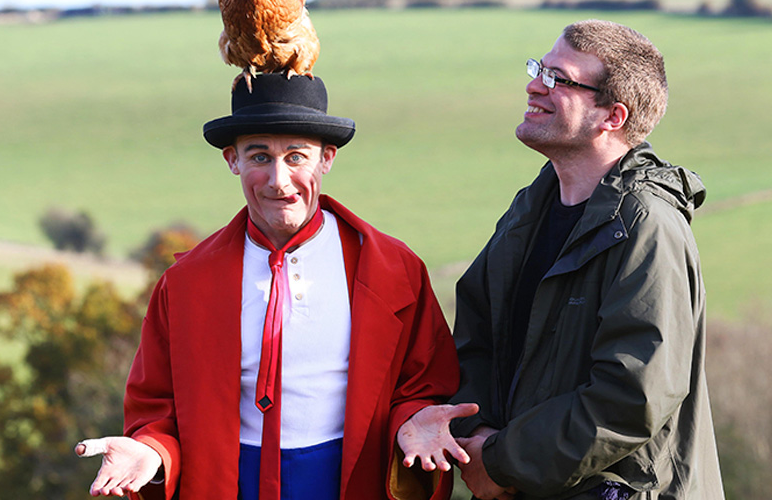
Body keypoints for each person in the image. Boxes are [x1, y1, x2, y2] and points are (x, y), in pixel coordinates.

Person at [75, 73, 476, 500]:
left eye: (296, 157)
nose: (278, 180)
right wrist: (152, 451)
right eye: (260, 156)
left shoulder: (393, 271)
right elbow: (156, 408)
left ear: (327, 158)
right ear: (233, 160)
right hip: (230, 484)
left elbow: (422, 384)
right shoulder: (185, 284)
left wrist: (413, 420)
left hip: (350, 481)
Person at [411, 19, 725, 499]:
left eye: (558, 78)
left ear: (612, 116)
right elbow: (476, 339)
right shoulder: (530, 210)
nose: (535, 85)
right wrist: (477, 433)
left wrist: (501, 462)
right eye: (539, 69)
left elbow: (632, 397)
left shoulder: (647, 226)